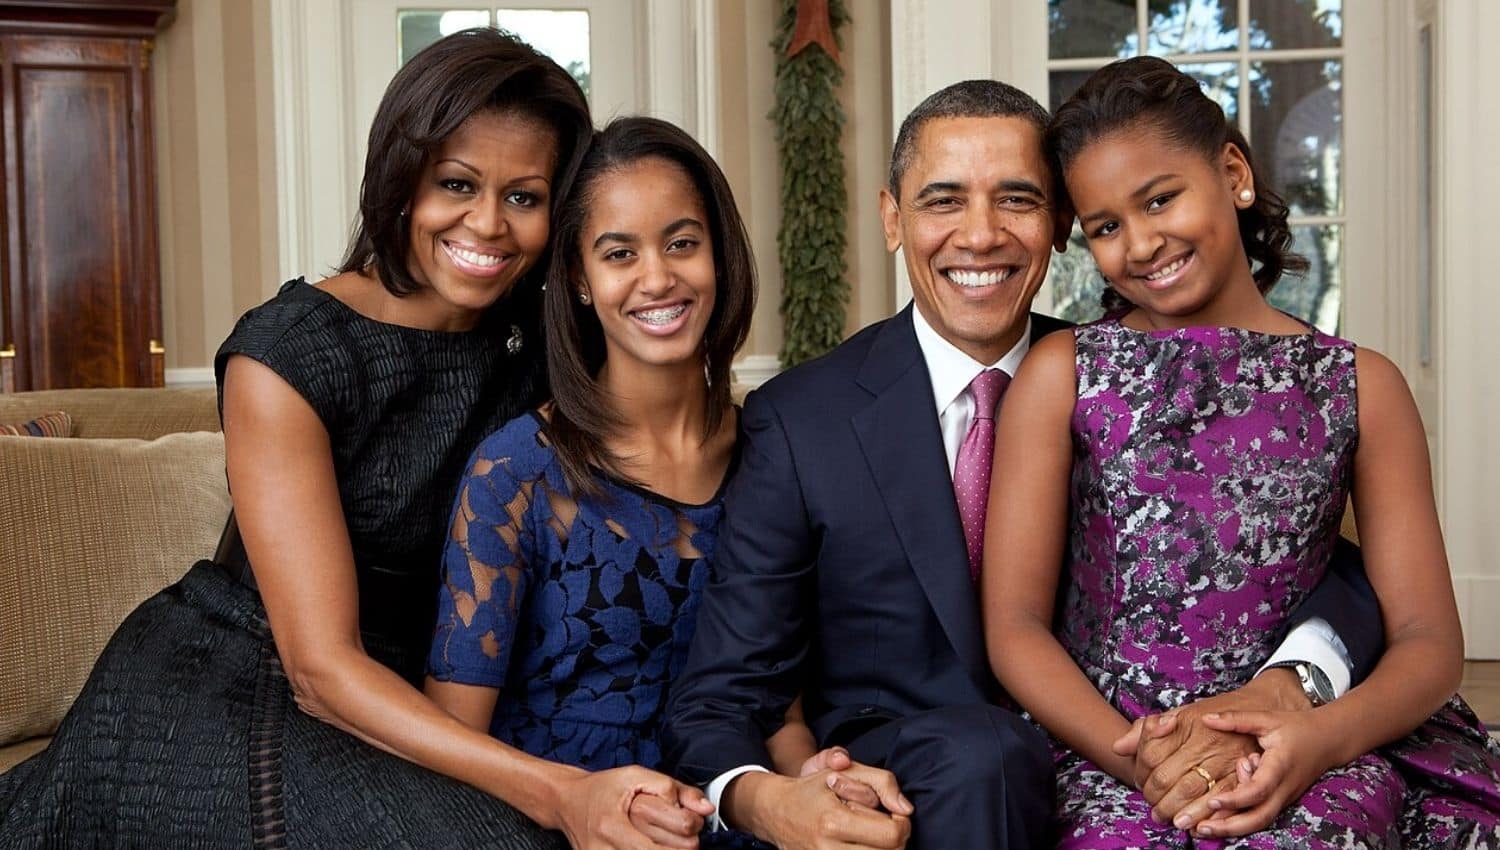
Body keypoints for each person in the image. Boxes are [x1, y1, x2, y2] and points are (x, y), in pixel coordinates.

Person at [662, 78, 1384, 850]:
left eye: (1016, 199)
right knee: (986, 756)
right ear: (891, 218)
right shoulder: (803, 421)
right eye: (943, 201)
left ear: (1061, 223)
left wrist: (1296, 678)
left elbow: (1300, 553)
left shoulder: (1123, 376)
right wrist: (771, 798)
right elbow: (721, 693)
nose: (980, 235)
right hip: (917, 780)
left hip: (1124, 756)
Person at [0, 29, 609, 847]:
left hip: (415, 693)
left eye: (525, 197)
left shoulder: (546, 347)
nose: (488, 223)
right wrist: (557, 791)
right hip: (237, 684)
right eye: (455, 183)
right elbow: (321, 669)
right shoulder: (288, 353)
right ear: (400, 181)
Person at [984, 55, 1500, 848]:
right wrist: (1152, 764)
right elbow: (1015, 626)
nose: (1142, 243)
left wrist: (1314, 743)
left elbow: (1430, 643)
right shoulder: (1065, 374)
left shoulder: (1363, 385)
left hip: (1310, 744)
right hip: (1111, 744)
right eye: (1106, 227)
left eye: (1160, 199)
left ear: (1233, 174)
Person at [422, 115, 769, 850]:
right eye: (620, 253)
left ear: (720, 255)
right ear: (579, 278)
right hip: (555, 827)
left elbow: (785, 702)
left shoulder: (776, 454)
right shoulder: (515, 472)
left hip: (740, 817)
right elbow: (452, 746)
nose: (658, 277)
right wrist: (572, 805)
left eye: (683, 243)